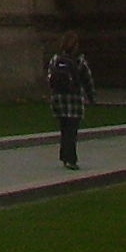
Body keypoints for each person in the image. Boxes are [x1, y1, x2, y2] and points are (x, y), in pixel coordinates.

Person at [45, 32, 95, 170]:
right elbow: (88, 81)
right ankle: (70, 159)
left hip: (58, 101)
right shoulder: (79, 61)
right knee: (71, 132)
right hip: (74, 101)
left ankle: (64, 156)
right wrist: (91, 97)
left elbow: (50, 79)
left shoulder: (55, 59)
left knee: (64, 130)